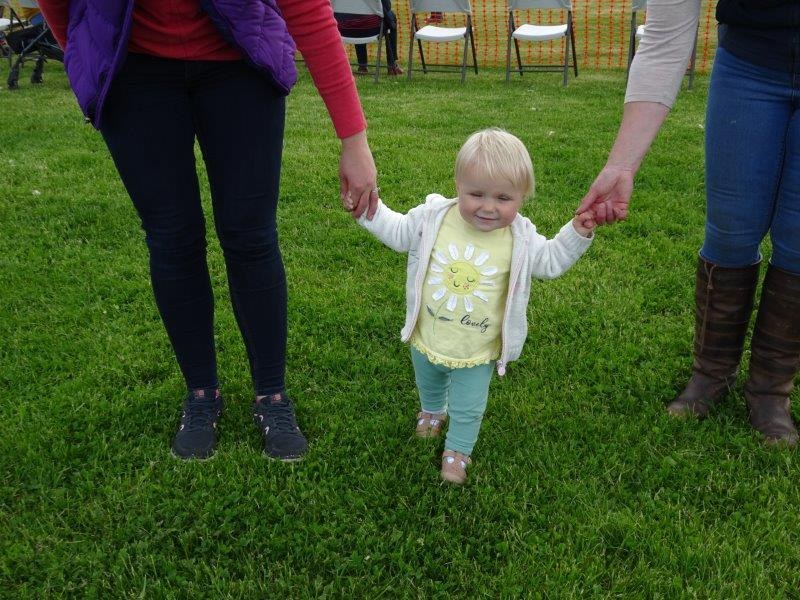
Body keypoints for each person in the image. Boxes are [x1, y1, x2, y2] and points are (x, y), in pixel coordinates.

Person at [38, 0, 380, 461]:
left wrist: (354, 139)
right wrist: (88, 59)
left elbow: (308, 9)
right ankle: (201, 393)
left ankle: (272, 395)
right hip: (135, 72)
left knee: (252, 237)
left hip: (240, 62)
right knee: (171, 239)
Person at [577, 0, 800, 446]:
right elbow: (664, 40)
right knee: (730, 232)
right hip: (749, 66)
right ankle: (711, 374)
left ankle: (771, 392)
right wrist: (621, 165)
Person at [348, 128, 596, 484]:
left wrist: (577, 232)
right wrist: (367, 212)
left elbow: (551, 261)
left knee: (468, 406)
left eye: (504, 198)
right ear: (458, 185)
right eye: (476, 194)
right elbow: (398, 231)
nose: (488, 207)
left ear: (522, 197)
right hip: (426, 334)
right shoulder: (434, 217)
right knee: (428, 381)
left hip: (477, 350)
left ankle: (458, 449)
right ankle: (432, 412)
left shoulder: (520, 237)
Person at [335, 0, 403, 76]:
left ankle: (362, 66)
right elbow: (387, 6)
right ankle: (391, 65)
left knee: (357, 19)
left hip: (343, 27)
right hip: (373, 27)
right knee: (391, 17)